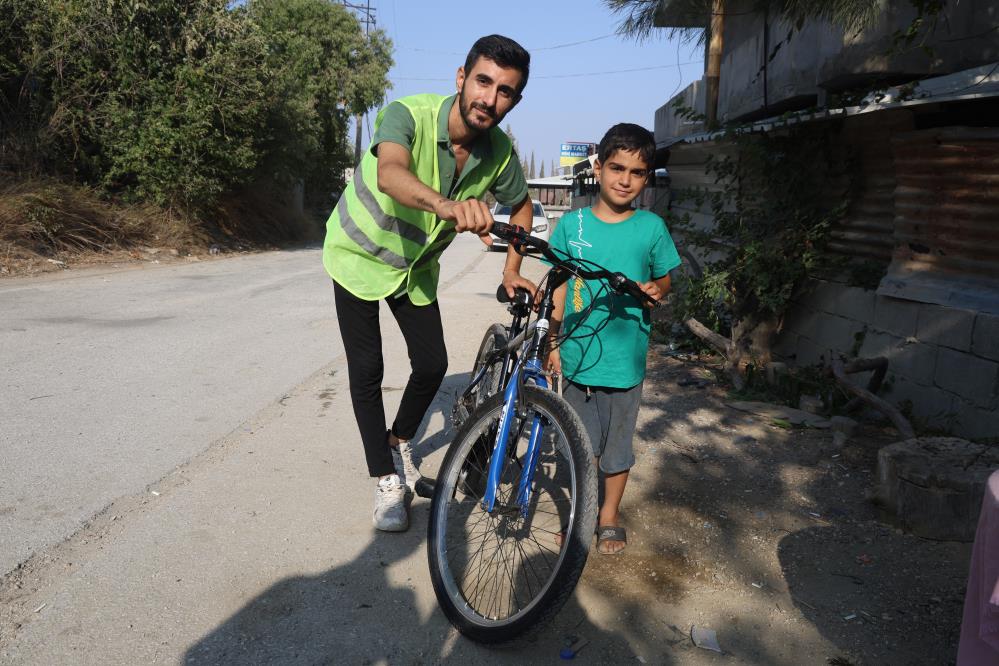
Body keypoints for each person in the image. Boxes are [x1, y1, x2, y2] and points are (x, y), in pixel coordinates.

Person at [322, 35, 537, 532]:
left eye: (505, 91)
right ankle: (385, 480)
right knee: (368, 367)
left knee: (433, 364)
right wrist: (447, 206)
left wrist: (511, 267)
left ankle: (397, 444)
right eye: (483, 81)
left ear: (515, 100)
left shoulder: (500, 153)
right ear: (462, 78)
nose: (490, 98)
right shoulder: (408, 114)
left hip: (413, 267)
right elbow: (390, 173)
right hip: (357, 254)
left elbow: (522, 206)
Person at [545, 123, 681, 555]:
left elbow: (664, 280)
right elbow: (559, 287)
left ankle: (608, 516)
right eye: (616, 168)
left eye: (637, 172)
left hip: (626, 361)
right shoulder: (571, 225)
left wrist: (656, 292)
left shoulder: (652, 228)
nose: (625, 180)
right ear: (599, 168)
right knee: (579, 445)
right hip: (577, 357)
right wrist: (551, 341)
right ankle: (581, 514)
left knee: (617, 449)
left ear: (646, 179)